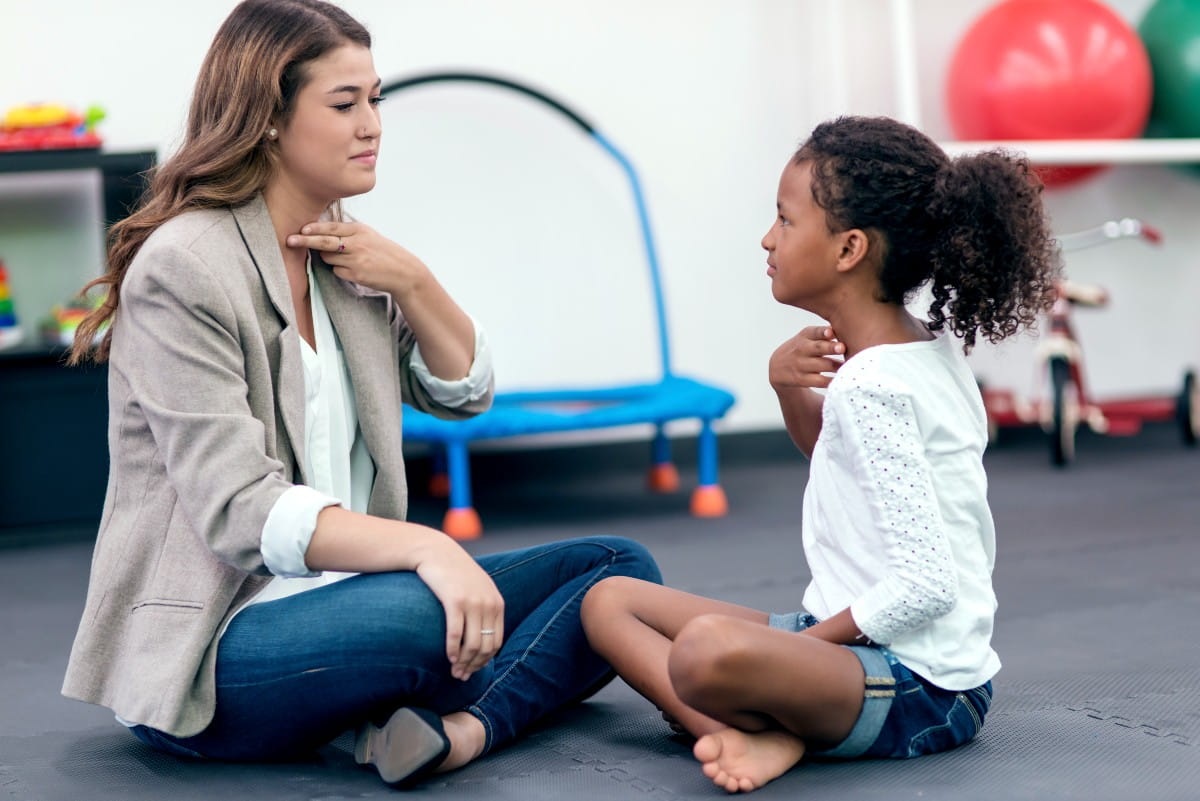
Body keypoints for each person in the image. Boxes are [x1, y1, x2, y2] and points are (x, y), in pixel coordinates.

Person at [60, 0, 660, 788]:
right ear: (267, 119)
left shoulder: (346, 253)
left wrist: (413, 278)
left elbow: (462, 394)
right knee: (431, 621)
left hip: (351, 601)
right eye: (344, 104)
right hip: (221, 642)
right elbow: (241, 507)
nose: (372, 123)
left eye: (374, 98)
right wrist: (430, 547)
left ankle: (458, 730)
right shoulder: (185, 267)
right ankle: (474, 698)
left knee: (619, 570)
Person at [582, 115, 1060, 793]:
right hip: (874, 654)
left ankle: (774, 731)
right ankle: (754, 730)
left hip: (921, 685)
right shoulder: (920, 351)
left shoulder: (872, 383)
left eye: (784, 220)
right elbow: (844, 467)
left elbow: (925, 588)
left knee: (705, 650)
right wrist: (787, 388)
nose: (767, 238)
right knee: (609, 601)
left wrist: (792, 654)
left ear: (849, 249)